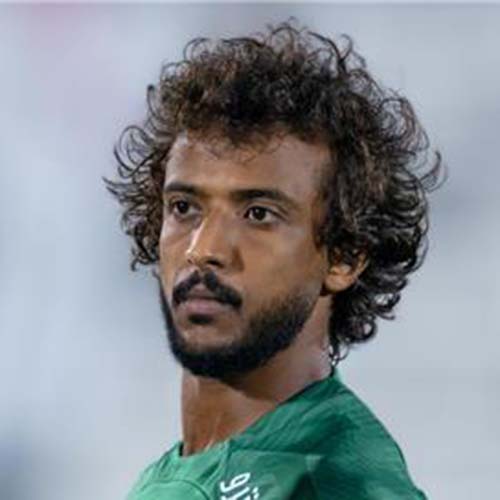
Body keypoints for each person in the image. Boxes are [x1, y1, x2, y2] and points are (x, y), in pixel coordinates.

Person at [105, 20, 441, 500]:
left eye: (258, 214)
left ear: (344, 256)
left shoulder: (336, 482)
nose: (203, 249)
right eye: (184, 207)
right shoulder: (169, 476)